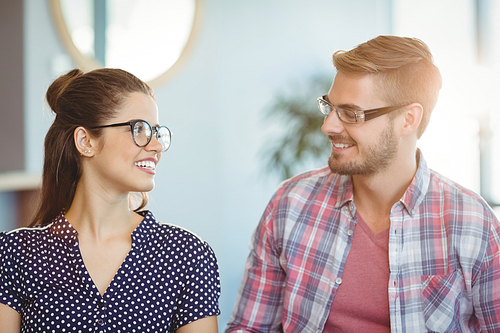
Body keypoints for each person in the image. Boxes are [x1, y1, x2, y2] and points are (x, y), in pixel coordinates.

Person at [225, 35, 500, 332]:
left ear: (408, 119)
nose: (327, 126)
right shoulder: (290, 204)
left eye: (351, 114)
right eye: (329, 107)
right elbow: (249, 328)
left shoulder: (472, 223)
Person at [0, 68, 221, 333]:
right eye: (139, 129)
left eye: (156, 132)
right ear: (86, 141)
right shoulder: (13, 255)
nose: (157, 145)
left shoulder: (188, 256)